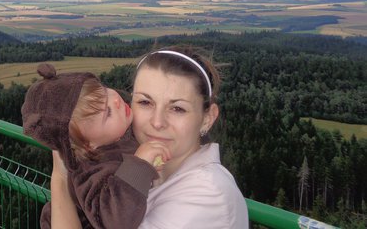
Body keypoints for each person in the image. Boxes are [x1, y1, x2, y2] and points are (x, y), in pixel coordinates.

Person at [48, 47, 249, 229]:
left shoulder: (208, 196)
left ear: (208, 118)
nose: (157, 122)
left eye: (178, 108)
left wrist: (60, 179)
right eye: (145, 102)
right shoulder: (124, 164)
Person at [21, 62, 170, 229]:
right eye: (108, 113)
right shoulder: (91, 171)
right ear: (88, 145)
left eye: (104, 90)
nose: (116, 101)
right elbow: (115, 220)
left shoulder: (116, 130)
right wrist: (139, 166)